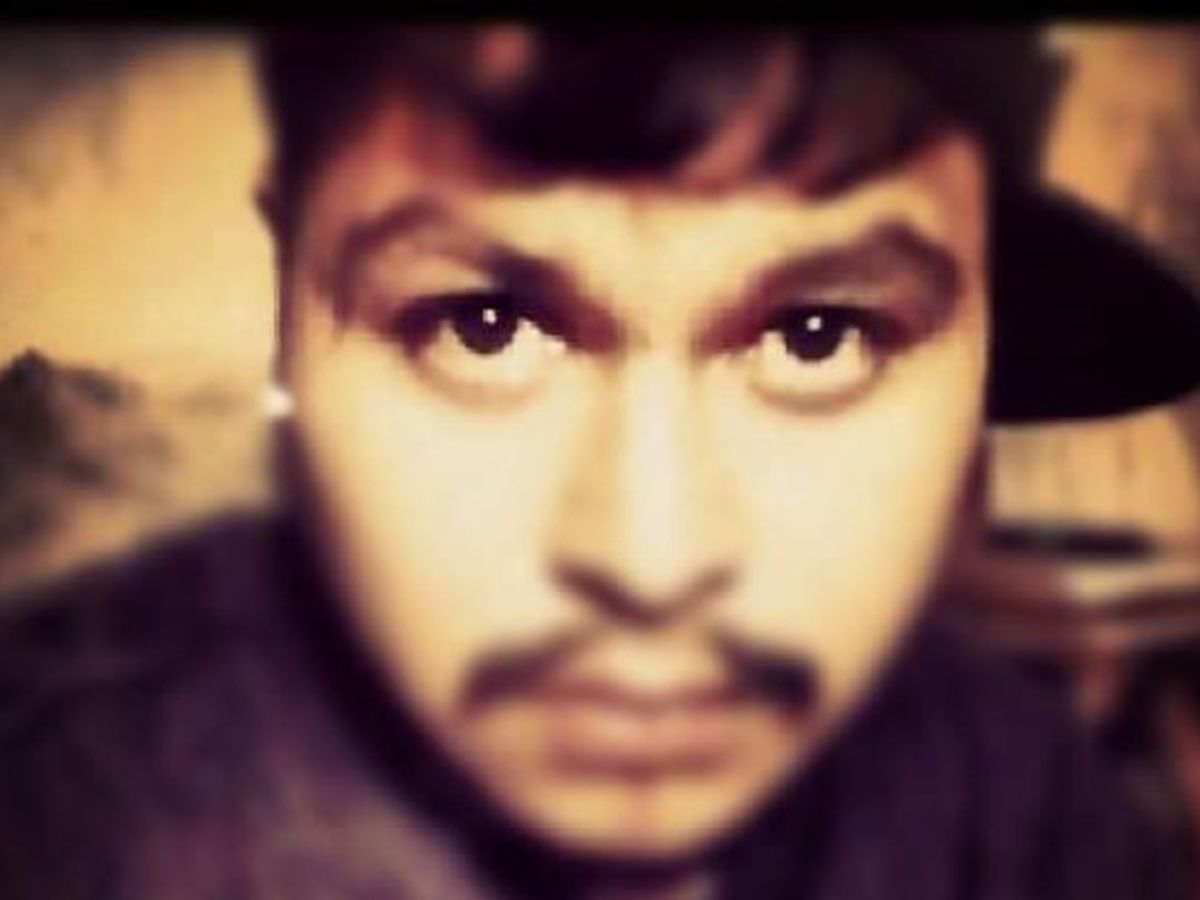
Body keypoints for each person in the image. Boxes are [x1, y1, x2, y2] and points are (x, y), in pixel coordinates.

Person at [2, 26, 1200, 900]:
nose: (651, 562)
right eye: (483, 328)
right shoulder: (69, 809)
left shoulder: (1020, 804)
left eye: (817, 336)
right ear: (289, 297)